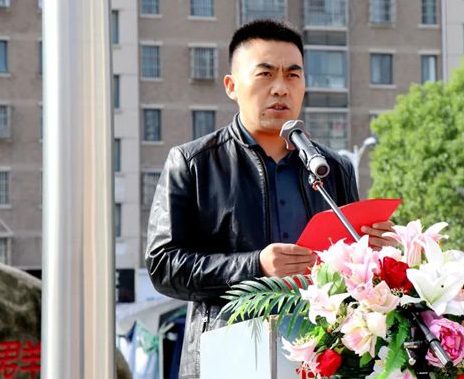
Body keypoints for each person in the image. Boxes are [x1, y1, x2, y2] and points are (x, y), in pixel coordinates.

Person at [144, 20, 395, 378]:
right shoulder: (193, 163)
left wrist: (374, 251)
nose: (280, 88)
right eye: (265, 74)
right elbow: (164, 266)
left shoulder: (332, 168)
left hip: (322, 356)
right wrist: (255, 266)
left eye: (293, 75)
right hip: (228, 360)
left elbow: (351, 272)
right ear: (232, 86)